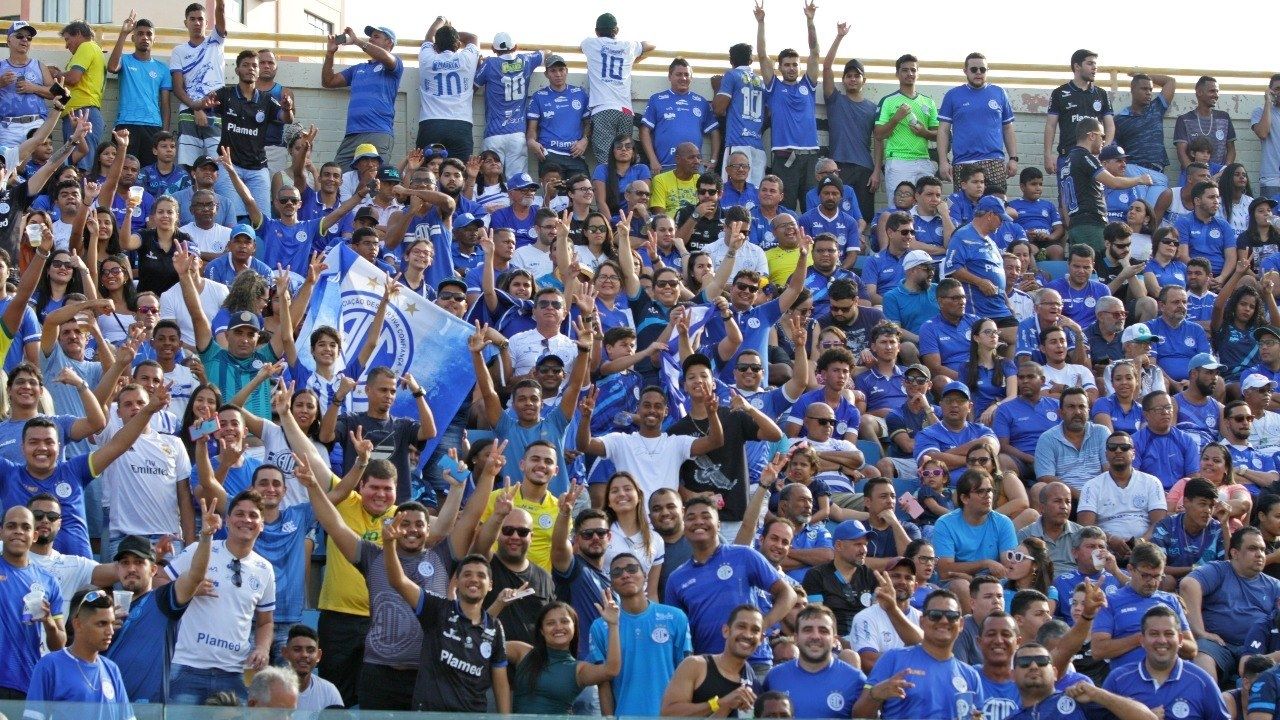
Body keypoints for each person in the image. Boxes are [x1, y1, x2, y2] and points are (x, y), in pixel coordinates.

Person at [164, 489, 274, 704]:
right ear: (227, 520)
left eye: (253, 515)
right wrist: (188, 589)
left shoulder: (265, 569)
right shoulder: (200, 549)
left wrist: (262, 648)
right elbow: (159, 580)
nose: (246, 520)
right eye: (239, 514)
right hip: (187, 667)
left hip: (234, 673)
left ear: (261, 525)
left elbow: (266, 621)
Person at [665, 495, 796, 666]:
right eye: (691, 518)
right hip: (708, 667)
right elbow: (676, 632)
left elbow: (789, 594)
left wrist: (762, 625)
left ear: (718, 525)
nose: (698, 521)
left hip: (754, 661)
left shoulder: (744, 555)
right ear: (684, 527)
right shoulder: (676, 579)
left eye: (706, 516)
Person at [104, 530, 211, 705]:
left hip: (148, 708)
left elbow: (195, 576)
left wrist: (206, 537)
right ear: (118, 569)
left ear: (153, 569)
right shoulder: (104, 609)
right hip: (107, 706)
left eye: (139, 563)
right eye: (125, 563)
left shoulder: (163, 600)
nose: (131, 568)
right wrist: (102, 628)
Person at [852, 589, 984, 720]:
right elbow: (858, 715)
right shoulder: (893, 658)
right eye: (935, 615)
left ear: (961, 624)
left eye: (951, 615)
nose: (944, 620)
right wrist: (876, 694)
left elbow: (978, 715)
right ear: (922, 622)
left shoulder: (970, 675)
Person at [591, 550, 691, 716]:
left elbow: (687, 674)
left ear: (645, 575)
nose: (625, 575)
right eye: (617, 572)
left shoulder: (675, 617)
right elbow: (604, 685)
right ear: (611, 583)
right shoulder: (600, 626)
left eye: (632, 569)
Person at [1183, 527, 1280, 680]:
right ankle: (1211, 703)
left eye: (1262, 549)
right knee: (1202, 655)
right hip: (1219, 645)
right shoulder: (1219, 570)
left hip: (1257, 647)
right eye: (1252, 549)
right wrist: (1200, 632)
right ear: (1234, 553)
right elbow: (1188, 584)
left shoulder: (1274, 585)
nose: (1260, 554)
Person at [1104, 605, 1231, 720]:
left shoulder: (1202, 682)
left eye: (1169, 634)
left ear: (1180, 639)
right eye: (1154, 634)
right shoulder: (1118, 679)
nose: (1162, 640)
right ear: (1142, 640)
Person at [26, 586, 134, 720]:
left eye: (111, 623)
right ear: (78, 624)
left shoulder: (112, 669)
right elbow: (33, 717)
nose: (110, 631)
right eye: (102, 624)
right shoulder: (50, 665)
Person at [755, 0, 821, 210]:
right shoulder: (774, 86)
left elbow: (815, 52)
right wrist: (761, 22)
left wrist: (810, 21)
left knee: (812, 206)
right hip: (785, 156)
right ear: (780, 67)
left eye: (795, 64)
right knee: (786, 208)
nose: (791, 68)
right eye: (787, 65)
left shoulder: (807, 85)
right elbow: (763, 55)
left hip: (810, 155)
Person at [1091, 542, 1196, 669]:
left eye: (1157, 576)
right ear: (1130, 569)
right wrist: (1142, 638)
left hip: (1171, 679)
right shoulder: (1111, 602)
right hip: (1129, 679)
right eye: (1145, 575)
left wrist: (1164, 638)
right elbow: (1098, 651)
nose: (1152, 582)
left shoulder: (1171, 601)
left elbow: (1192, 650)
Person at [1059, 117, 1153, 254]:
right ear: (1091, 136)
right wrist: (1140, 179)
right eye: (1102, 136)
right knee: (1096, 267)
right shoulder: (1085, 157)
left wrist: (1071, 225)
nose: (1104, 141)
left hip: (1077, 224)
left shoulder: (1068, 160)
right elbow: (1113, 182)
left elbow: (1064, 200)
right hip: (1090, 224)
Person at [762, 603, 869, 718]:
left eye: (823, 631)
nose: (815, 636)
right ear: (796, 638)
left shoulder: (856, 679)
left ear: (834, 639)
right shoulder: (775, 676)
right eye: (807, 630)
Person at [1006, 642, 1158, 720]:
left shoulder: (1081, 701)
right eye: (1025, 662)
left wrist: (1096, 694)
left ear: (1054, 673)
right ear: (1012, 675)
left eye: (1041, 661)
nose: (1033, 666)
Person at [660, 604, 765, 717]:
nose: (747, 635)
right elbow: (668, 714)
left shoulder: (751, 679)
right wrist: (719, 703)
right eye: (741, 626)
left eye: (755, 630)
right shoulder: (695, 665)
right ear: (726, 631)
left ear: (761, 640)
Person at [322, 25, 402, 168]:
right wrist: (330, 54)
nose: (371, 39)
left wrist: (356, 41)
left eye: (376, 36)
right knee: (338, 178)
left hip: (378, 132)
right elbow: (329, 81)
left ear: (389, 43)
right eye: (371, 36)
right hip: (352, 135)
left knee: (375, 183)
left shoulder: (394, 63)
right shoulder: (358, 68)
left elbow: (386, 58)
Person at [580, 13, 654, 166]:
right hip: (626, 111)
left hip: (603, 108)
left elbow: (582, 47)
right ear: (617, 30)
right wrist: (633, 58)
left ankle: (610, 190)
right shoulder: (628, 45)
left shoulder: (590, 43)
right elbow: (650, 45)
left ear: (596, 31)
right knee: (624, 160)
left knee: (606, 162)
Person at [820, 24, 878, 220]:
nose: (853, 79)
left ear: (864, 80)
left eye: (857, 76)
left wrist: (877, 171)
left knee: (864, 217)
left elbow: (879, 140)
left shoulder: (873, 107)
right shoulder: (835, 100)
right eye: (849, 76)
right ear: (843, 80)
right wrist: (839, 37)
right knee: (836, 215)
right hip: (838, 168)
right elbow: (826, 67)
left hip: (864, 169)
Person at [938, 52, 1018, 189]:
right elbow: (943, 131)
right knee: (965, 209)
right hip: (963, 163)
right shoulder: (953, 95)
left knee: (996, 207)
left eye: (983, 69)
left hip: (994, 162)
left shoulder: (999, 93)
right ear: (965, 71)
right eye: (974, 69)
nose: (978, 73)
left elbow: (1007, 128)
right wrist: (943, 161)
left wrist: (1013, 158)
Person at [1077, 431, 1168, 543]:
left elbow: (1159, 523)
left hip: (1146, 547)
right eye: (1112, 447)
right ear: (1106, 454)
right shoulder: (1091, 486)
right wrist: (1110, 539)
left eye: (1124, 447)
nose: (1118, 451)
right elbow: (1086, 526)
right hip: (1105, 546)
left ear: (1133, 454)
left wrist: (1141, 542)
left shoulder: (1152, 482)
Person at [106, 14, 171, 167]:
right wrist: (123, 33)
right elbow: (112, 67)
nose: (145, 37)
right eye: (140, 34)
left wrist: (165, 133)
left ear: (154, 39)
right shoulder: (125, 60)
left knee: (149, 171)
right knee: (122, 169)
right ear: (133, 38)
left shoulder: (162, 69)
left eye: (149, 34)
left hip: (153, 126)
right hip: (126, 124)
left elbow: (166, 104)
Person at [874, 54, 939, 207]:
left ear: (918, 73)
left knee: (927, 207)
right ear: (897, 74)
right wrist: (896, 118)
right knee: (898, 208)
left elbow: (938, 135)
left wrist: (924, 132)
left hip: (924, 160)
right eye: (905, 70)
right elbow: (878, 134)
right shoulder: (888, 101)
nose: (909, 74)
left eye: (913, 70)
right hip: (898, 161)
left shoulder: (928, 102)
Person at [170, 0, 228, 167]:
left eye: (201, 19)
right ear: (185, 22)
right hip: (189, 110)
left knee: (218, 164)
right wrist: (196, 107)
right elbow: (178, 88)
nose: (197, 22)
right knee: (188, 166)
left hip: (216, 111)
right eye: (192, 19)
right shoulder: (179, 51)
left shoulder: (216, 42)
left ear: (207, 22)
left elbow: (221, 9)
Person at [416, 18, 480, 161]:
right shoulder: (465, 59)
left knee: (426, 172)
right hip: (460, 124)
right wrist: (452, 33)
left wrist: (441, 20)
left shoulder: (427, 58)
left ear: (436, 46)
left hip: (431, 122)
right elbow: (472, 38)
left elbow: (428, 37)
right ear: (458, 44)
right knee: (459, 173)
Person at [642, 59, 719, 174]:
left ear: (691, 77)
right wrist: (653, 160)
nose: (683, 78)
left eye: (686, 74)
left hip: (694, 168)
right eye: (678, 74)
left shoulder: (701, 102)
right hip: (664, 167)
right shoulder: (657, 99)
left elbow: (715, 132)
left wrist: (713, 160)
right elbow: (644, 131)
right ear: (670, 76)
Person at [1044, 49, 1114, 176]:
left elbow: (1110, 126)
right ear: (1077, 66)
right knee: (1067, 195)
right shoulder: (1059, 93)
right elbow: (1050, 125)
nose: (1094, 68)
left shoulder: (1102, 94)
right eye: (1090, 64)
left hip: (1094, 158)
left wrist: (1104, 151)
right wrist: (1048, 155)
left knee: (1095, 196)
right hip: (1068, 156)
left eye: (1095, 65)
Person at [850, 557, 923, 672]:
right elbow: (869, 662)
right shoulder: (865, 617)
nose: (902, 582)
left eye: (908, 578)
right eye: (896, 576)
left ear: (915, 586)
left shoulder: (922, 618)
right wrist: (915, 662)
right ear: (882, 580)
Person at [1115, 73, 1177, 202]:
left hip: (1157, 173)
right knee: (1137, 210)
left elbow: (1170, 81)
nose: (1148, 93)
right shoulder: (1120, 119)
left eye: (1150, 89)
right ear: (1132, 90)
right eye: (1144, 89)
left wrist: (1144, 75)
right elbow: (1116, 152)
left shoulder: (1156, 108)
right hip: (1133, 170)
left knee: (1152, 215)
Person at [527, 55, 591, 177]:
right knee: (554, 194)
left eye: (561, 70)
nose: (558, 74)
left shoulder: (580, 94)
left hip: (575, 155)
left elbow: (588, 122)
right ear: (546, 74)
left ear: (566, 71)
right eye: (553, 70)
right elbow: (532, 129)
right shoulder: (539, 96)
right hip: (550, 154)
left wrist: (585, 140)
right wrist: (531, 141)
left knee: (583, 191)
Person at [58, 21, 105, 172]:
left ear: (78, 33)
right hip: (81, 112)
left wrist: (56, 75)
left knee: (81, 168)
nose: (66, 46)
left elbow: (72, 78)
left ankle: (85, 195)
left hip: (83, 113)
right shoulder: (91, 50)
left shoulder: (86, 46)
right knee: (73, 167)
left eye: (67, 39)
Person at [0, 21, 55, 149]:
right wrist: (1, 82)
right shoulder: (1, 66)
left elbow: (55, 93)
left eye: (29, 38)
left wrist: (34, 88)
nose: (25, 40)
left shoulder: (39, 65)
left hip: (36, 126)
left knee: (38, 167)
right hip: (8, 128)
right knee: (8, 167)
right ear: (8, 40)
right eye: (19, 36)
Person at [1019, 482, 1083, 574]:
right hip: (1040, 586)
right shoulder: (1025, 535)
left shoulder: (1081, 534)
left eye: (1068, 502)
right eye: (1057, 501)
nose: (1064, 506)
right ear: (1042, 507)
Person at [1175, 76, 1236, 169]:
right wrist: (1193, 173)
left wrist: (1223, 172)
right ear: (1199, 92)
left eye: (1217, 91)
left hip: (1219, 176)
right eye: (1212, 91)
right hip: (1193, 177)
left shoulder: (1224, 117)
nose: (1216, 95)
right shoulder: (1184, 120)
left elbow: (1231, 149)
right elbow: (1181, 152)